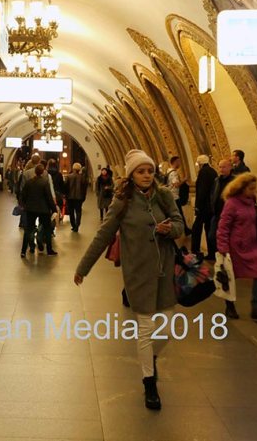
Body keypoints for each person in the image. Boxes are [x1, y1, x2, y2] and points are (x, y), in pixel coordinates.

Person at [74, 149, 184, 410]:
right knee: (145, 329)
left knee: (167, 328)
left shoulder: (164, 196)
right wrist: (83, 267)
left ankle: (152, 358)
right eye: (140, 171)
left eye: (149, 171)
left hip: (165, 270)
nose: (146, 175)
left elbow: (181, 224)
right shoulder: (122, 201)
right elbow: (104, 235)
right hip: (138, 275)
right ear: (131, 174)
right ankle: (149, 383)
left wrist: (171, 230)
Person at [216, 173, 257, 321]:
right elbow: (223, 227)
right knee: (231, 277)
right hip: (236, 246)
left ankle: (256, 307)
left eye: (255, 188)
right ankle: (230, 305)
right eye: (251, 188)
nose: (254, 191)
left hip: (252, 244)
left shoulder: (252, 201)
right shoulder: (231, 203)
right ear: (242, 188)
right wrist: (223, 248)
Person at [19, 164, 56, 257]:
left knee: (28, 230)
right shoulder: (44, 182)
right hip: (44, 210)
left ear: (35, 172)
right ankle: (49, 250)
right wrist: (54, 209)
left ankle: (23, 251)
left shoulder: (29, 182)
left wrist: (24, 205)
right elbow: (49, 198)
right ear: (43, 172)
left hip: (31, 209)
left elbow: (23, 195)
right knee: (47, 230)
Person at [191, 154, 217, 256]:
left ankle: (195, 249)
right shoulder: (213, 171)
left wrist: (198, 206)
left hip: (203, 207)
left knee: (196, 227)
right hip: (211, 206)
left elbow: (202, 190)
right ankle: (211, 252)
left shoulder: (203, 172)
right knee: (209, 228)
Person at [66, 162, 88, 232]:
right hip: (79, 197)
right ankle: (77, 225)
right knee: (78, 211)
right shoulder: (82, 178)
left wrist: (66, 195)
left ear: (73, 168)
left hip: (70, 197)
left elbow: (66, 187)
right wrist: (84, 197)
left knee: (71, 212)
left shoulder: (69, 177)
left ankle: (73, 225)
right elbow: (84, 189)